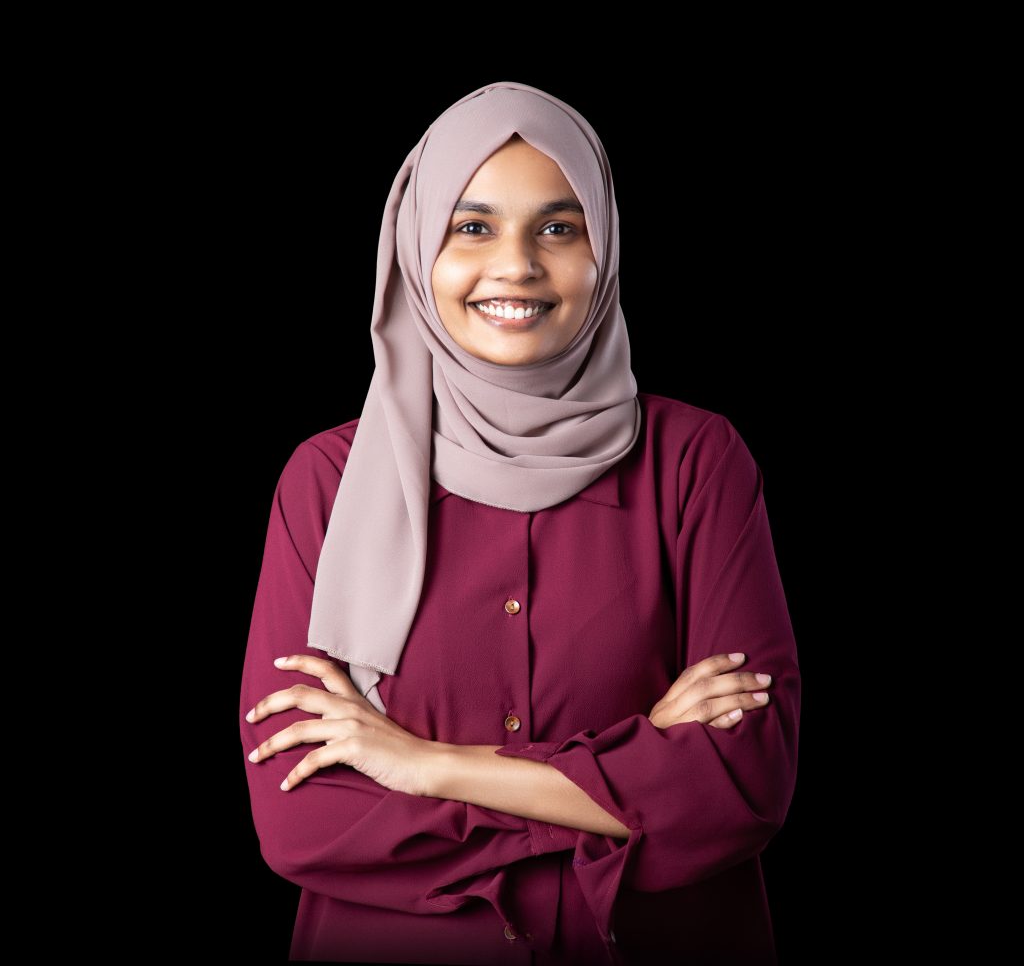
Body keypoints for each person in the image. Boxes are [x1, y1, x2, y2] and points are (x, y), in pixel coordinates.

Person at [239, 81, 801, 965]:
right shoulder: (326, 481)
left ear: (604, 248)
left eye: (558, 228)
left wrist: (422, 765)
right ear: (417, 247)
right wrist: (631, 778)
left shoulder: (698, 462)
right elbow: (302, 820)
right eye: (472, 227)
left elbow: (742, 786)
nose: (517, 266)